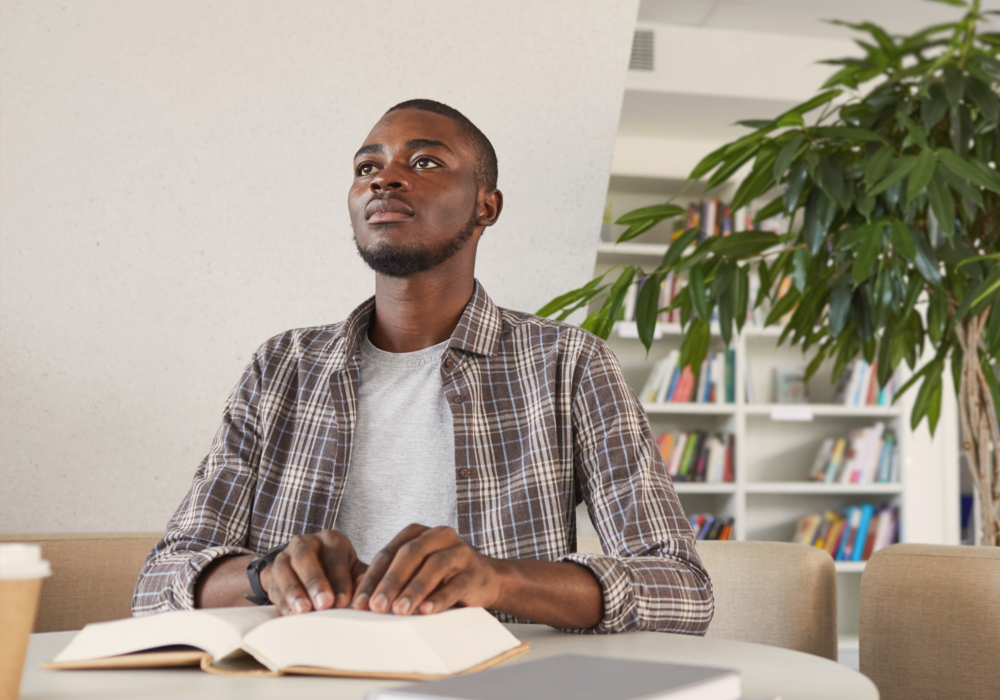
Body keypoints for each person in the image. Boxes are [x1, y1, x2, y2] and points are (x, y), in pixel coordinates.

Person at [133, 99, 713, 633]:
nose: (383, 178)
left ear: (487, 206)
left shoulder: (567, 364)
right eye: (366, 168)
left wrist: (499, 579)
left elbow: (682, 589)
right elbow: (158, 584)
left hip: (495, 684)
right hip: (297, 679)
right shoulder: (282, 367)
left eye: (427, 161)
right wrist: (264, 574)